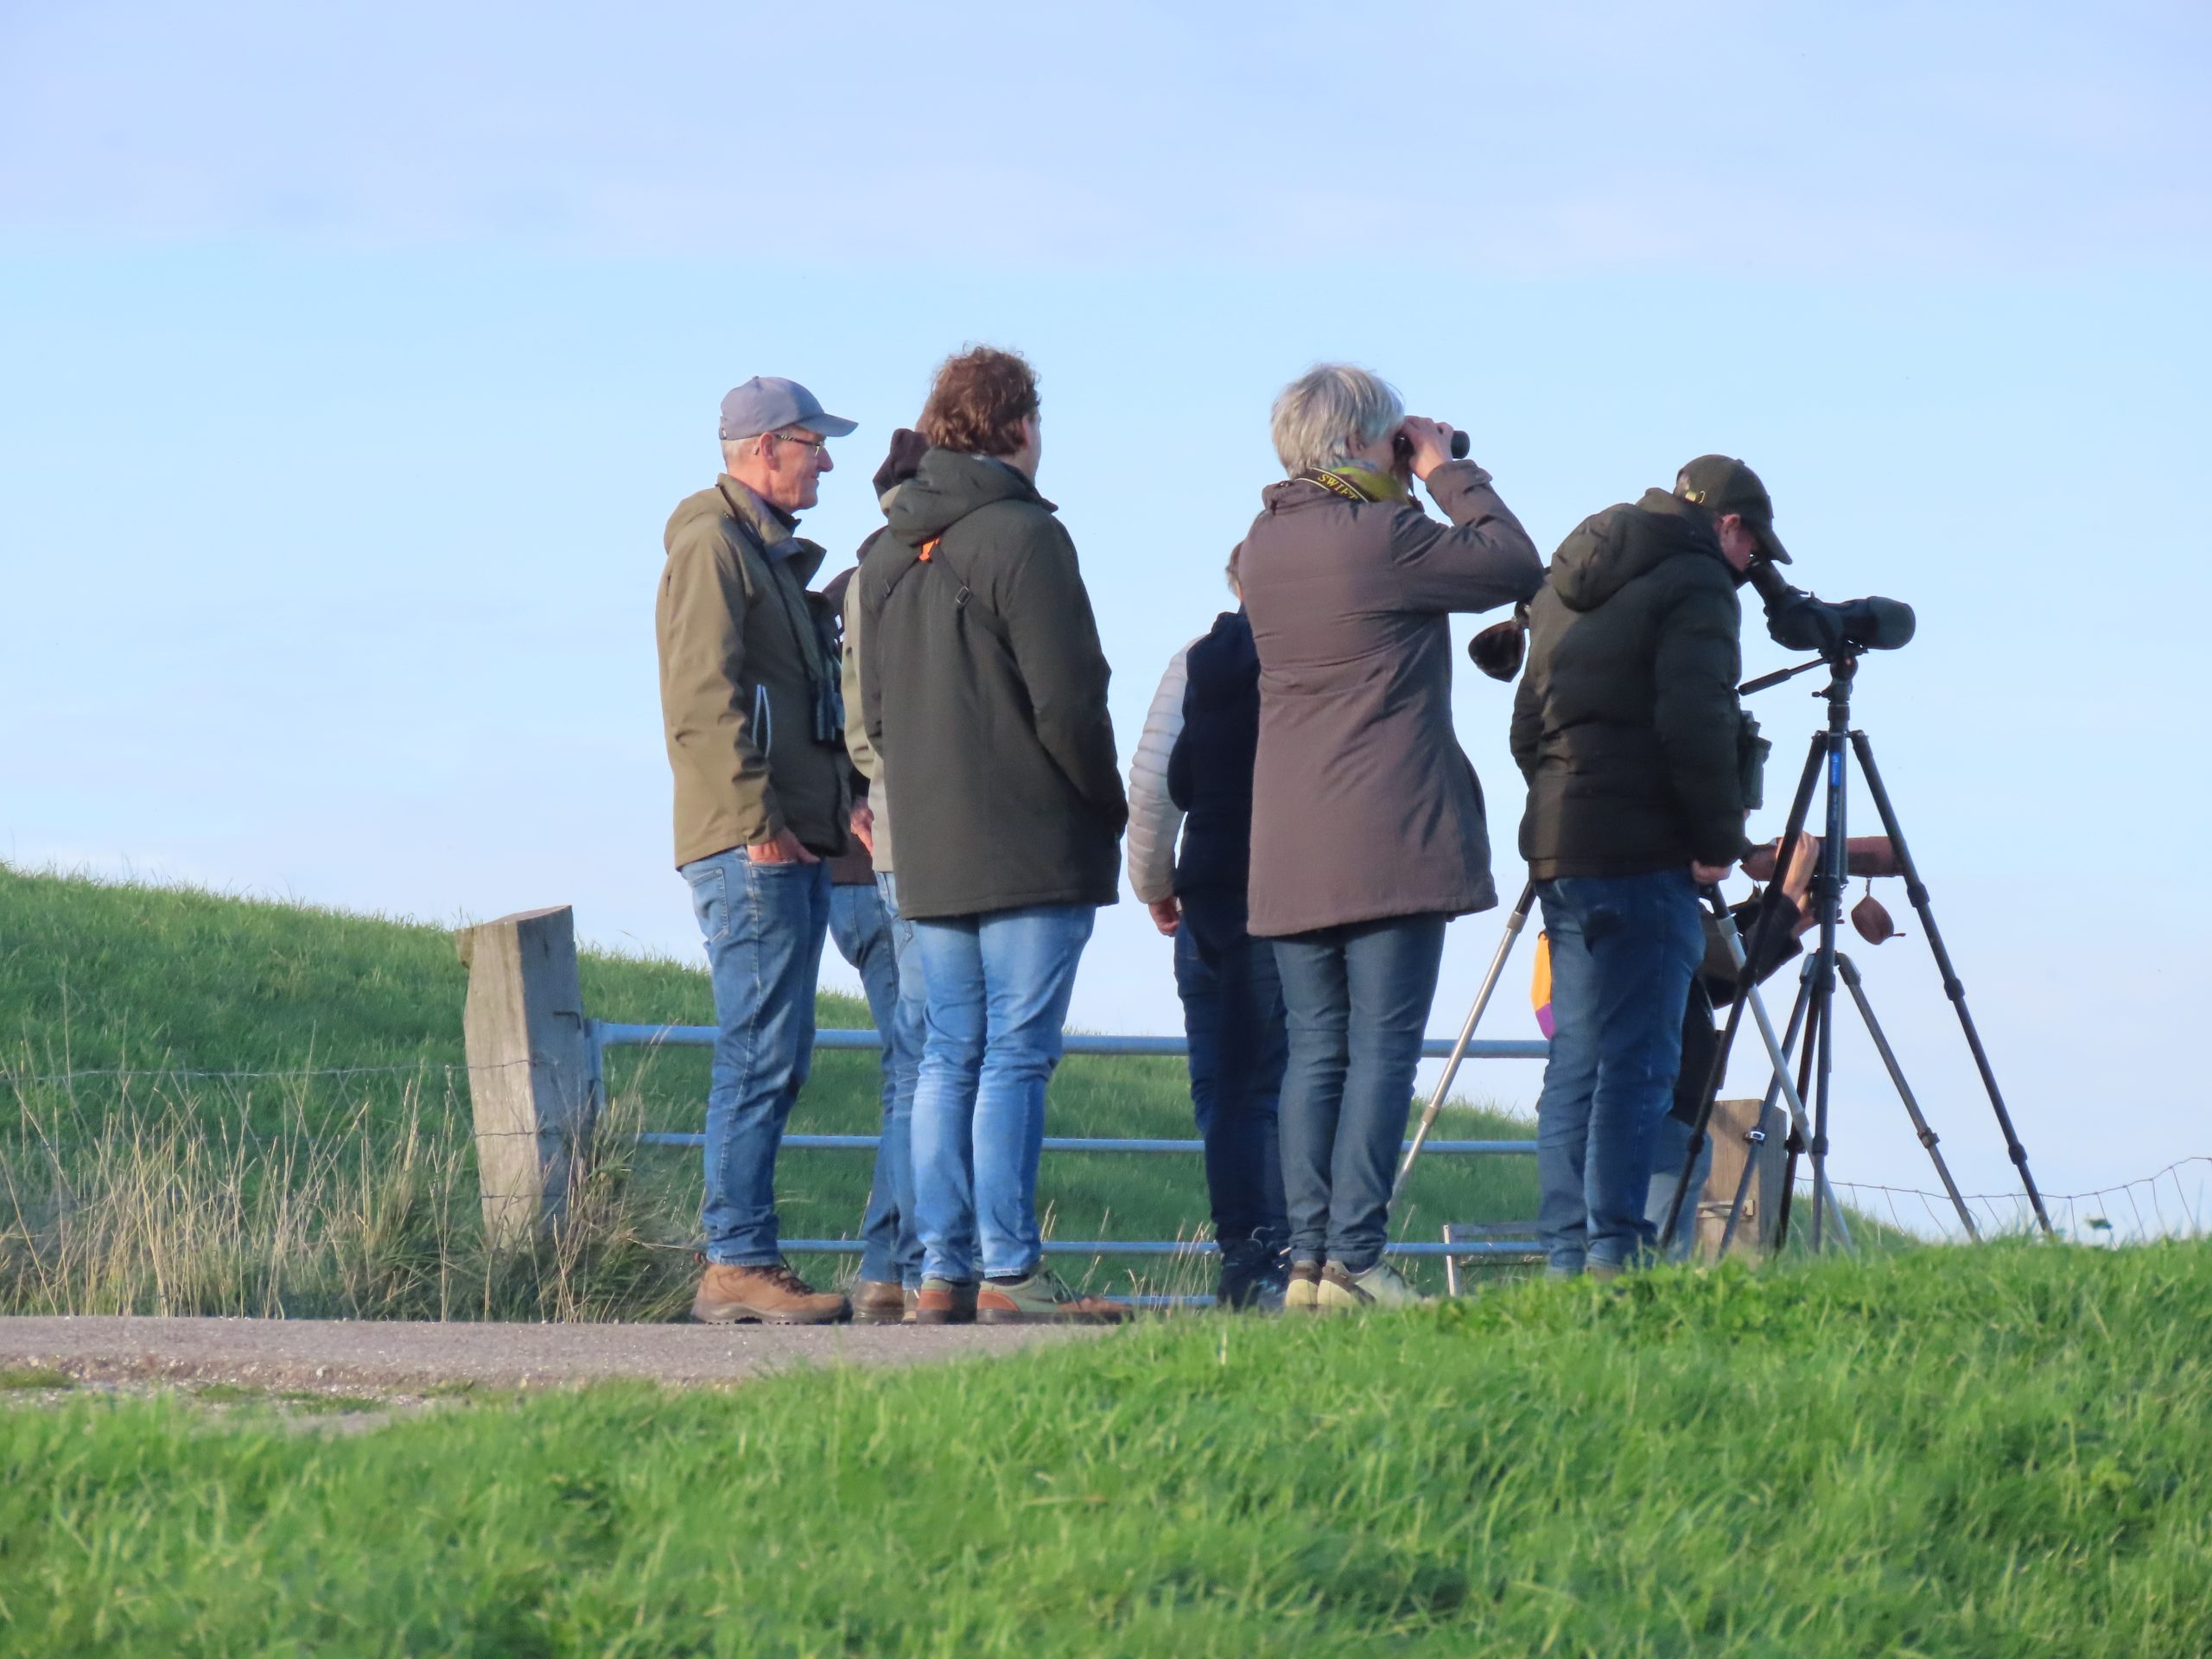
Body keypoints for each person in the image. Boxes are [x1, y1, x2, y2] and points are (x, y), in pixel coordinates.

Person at [1239, 365, 1543, 1313]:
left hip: (1287, 839)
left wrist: (1402, 467)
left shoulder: (1259, 545)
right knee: (1378, 1050)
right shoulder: (1385, 535)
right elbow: (1511, 563)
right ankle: (1354, 1261)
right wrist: (1446, 468)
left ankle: (1303, 1264)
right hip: (1386, 833)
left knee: (1314, 1053)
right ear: (1368, 440)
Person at [858, 347, 1129, 1325]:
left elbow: (876, 714)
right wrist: (1107, 804)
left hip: (927, 845)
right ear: (1019, 427)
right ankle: (1012, 1272)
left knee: (945, 1055)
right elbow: (1070, 701)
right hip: (1030, 841)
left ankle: (942, 1270)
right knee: (1014, 1055)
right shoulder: (1025, 538)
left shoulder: (884, 551)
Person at [1510, 454, 1779, 1278]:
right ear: (1727, 525)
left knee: (1579, 1058)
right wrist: (1717, 838)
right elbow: (1694, 721)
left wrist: (1562, 797)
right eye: (1755, 550)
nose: (1752, 570)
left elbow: (1527, 724)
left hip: (1562, 843)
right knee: (1643, 1060)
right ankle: (1613, 1257)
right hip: (1647, 850)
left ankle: (1566, 1256)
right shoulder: (1697, 582)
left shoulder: (1564, 578)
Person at [656, 375, 857, 1325]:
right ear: (765, 446)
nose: (826, 459)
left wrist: (833, 810)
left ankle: (743, 1260)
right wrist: (756, 823)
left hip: (789, 840)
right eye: (814, 442)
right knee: (758, 1050)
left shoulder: (764, 555)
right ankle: (736, 1261)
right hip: (752, 848)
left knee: (775, 1050)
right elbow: (704, 702)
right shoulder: (712, 549)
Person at [1128, 559, 1292, 1309]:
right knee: (1275, 1084)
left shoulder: (1194, 659)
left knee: (1219, 1089)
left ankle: (1240, 1251)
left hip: (1203, 896)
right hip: (1279, 896)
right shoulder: (1310, 657)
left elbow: (1159, 780)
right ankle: (1282, 1253)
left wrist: (1154, 883)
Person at [830, 429, 933, 1323]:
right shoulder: (907, 581)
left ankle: (893, 1270)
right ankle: (899, 1265)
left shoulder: (842, 586)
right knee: (926, 1063)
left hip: (848, 867)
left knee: (914, 1064)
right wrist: (864, 794)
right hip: (892, 858)